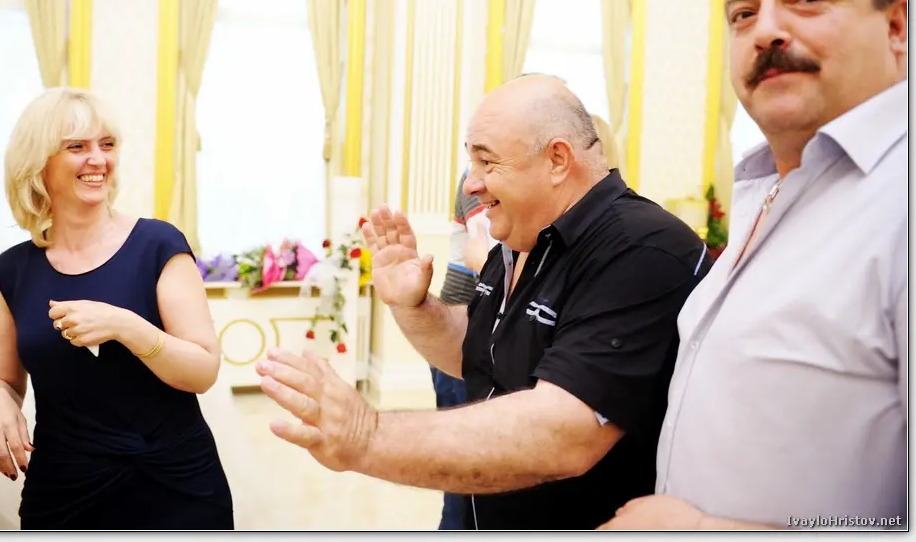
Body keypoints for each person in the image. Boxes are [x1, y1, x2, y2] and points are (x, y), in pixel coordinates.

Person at [255, 74, 712, 530]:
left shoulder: (642, 248)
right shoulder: (520, 241)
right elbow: (477, 351)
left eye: (486, 162)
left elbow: (564, 433)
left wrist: (365, 434)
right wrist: (413, 306)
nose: (470, 184)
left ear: (557, 159)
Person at [599, 0, 907, 530]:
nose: (765, 30)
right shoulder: (767, 189)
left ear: (896, 27)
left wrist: (697, 531)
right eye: (742, 14)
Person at [0, 87, 234, 530]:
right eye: (77, 147)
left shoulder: (159, 245)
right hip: (64, 492)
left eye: (107, 144)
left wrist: (126, 326)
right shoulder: (9, 273)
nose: (98, 159)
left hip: (176, 488)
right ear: (38, 163)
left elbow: (203, 371)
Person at [429, 166, 488, 530]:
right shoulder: (475, 178)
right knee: (461, 464)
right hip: (462, 332)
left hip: (478, 331)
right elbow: (487, 254)